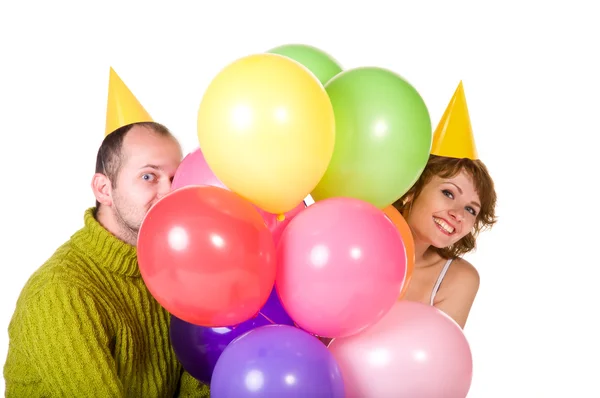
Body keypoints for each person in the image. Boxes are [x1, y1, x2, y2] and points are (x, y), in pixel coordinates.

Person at [3, 68, 210, 397]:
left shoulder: (179, 274)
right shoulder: (62, 292)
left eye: (175, 176)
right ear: (104, 189)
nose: (170, 193)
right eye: (148, 177)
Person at [393, 81, 498, 329]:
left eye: (471, 209)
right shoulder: (359, 243)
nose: (458, 214)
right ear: (412, 189)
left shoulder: (457, 279)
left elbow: (439, 363)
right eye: (449, 193)